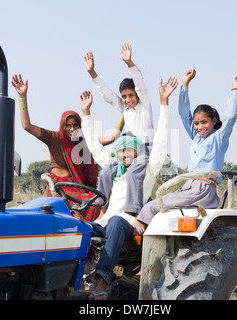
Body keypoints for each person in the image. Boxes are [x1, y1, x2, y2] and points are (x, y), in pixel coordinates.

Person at [79, 76, 178, 300]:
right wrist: (86, 114)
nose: (125, 154)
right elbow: (94, 147)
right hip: (107, 222)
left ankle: (101, 282)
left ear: (137, 151)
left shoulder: (146, 171)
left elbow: (161, 140)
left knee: (114, 221)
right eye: (121, 150)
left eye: (130, 150)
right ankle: (71, 278)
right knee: (78, 226)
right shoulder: (113, 170)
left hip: (129, 223)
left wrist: (164, 104)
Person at [135, 70, 237, 234]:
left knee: (151, 207)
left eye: (204, 122)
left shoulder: (218, 139)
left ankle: (138, 232)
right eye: (196, 123)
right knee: (158, 205)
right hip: (188, 185)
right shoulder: (196, 137)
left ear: (213, 121)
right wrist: (185, 85)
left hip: (203, 189)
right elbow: (183, 113)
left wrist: (235, 89)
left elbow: (230, 117)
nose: (200, 127)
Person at [11, 74, 101, 221]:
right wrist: (22, 97)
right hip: (61, 188)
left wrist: (125, 113)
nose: (71, 129)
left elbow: (105, 140)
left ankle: (96, 232)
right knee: (93, 203)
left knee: (99, 202)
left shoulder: (82, 143)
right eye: (68, 125)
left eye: (75, 125)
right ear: (62, 126)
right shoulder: (54, 138)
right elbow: (27, 126)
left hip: (78, 187)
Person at [84, 43, 153, 216]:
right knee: (107, 171)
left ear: (137, 95)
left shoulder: (144, 106)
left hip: (144, 147)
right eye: (124, 96)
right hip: (127, 148)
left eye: (131, 95)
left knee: (133, 174)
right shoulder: (124, 108)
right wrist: (92, 73)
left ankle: (133, 212)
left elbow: (141, 85)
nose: (128, 99)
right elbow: (107, 95)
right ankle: (102, 206)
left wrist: (130, 63)